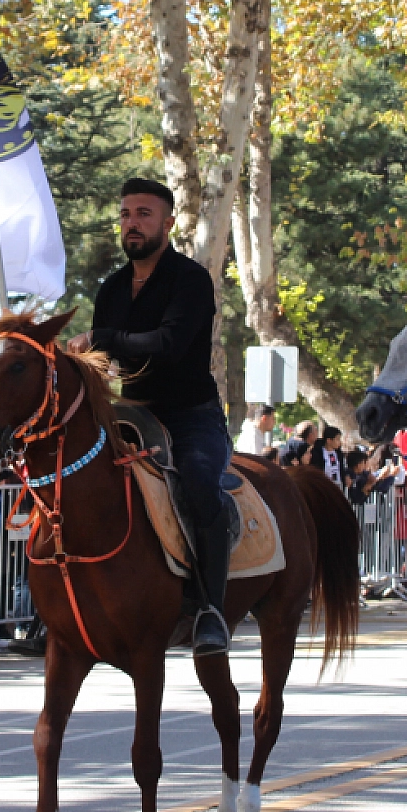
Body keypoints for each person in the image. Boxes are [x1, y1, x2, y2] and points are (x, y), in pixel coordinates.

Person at [67, 177, 232, 656]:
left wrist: (102, 338)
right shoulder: (112, 288)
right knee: (75, 480)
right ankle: (64, 604)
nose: (132, 223)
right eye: (125, 214)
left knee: (199, 481)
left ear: (168, 223)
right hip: (130, 414)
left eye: (143, 214)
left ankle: (211, 609)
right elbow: (103, 363)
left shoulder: (191, 279)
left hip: (191, 416)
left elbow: (168, 345)